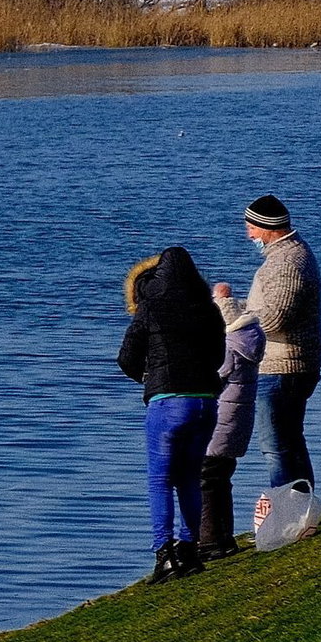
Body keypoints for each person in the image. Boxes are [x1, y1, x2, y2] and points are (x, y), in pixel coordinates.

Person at [117, 248, 226, 583]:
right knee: (190, 479)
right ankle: (189, 550)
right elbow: (218, 356)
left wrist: (148, 379)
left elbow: (127, 357)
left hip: (167, 402)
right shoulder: (208, 309)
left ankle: (164, 554)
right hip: (204, 403)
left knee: (160, 480)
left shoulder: (150, 306)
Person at [243, 195, 321, 488]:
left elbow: (275, 320)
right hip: (291, 365)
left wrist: (230, 312)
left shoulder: (287, 262)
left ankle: (287, 514)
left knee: (275, 446)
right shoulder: (288, 256)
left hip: (282, 367)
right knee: (291, 440)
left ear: (267, 228)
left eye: (251, 227)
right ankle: (302, 511)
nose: (249, 234)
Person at [197, 281, 267, 560]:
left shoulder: (230, 347)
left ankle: (211, 540)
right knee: (220, 478)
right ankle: (222, 537)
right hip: (235, 424)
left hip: (219, 425)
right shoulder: (249, 340)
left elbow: (212, 379)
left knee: (207, 478)